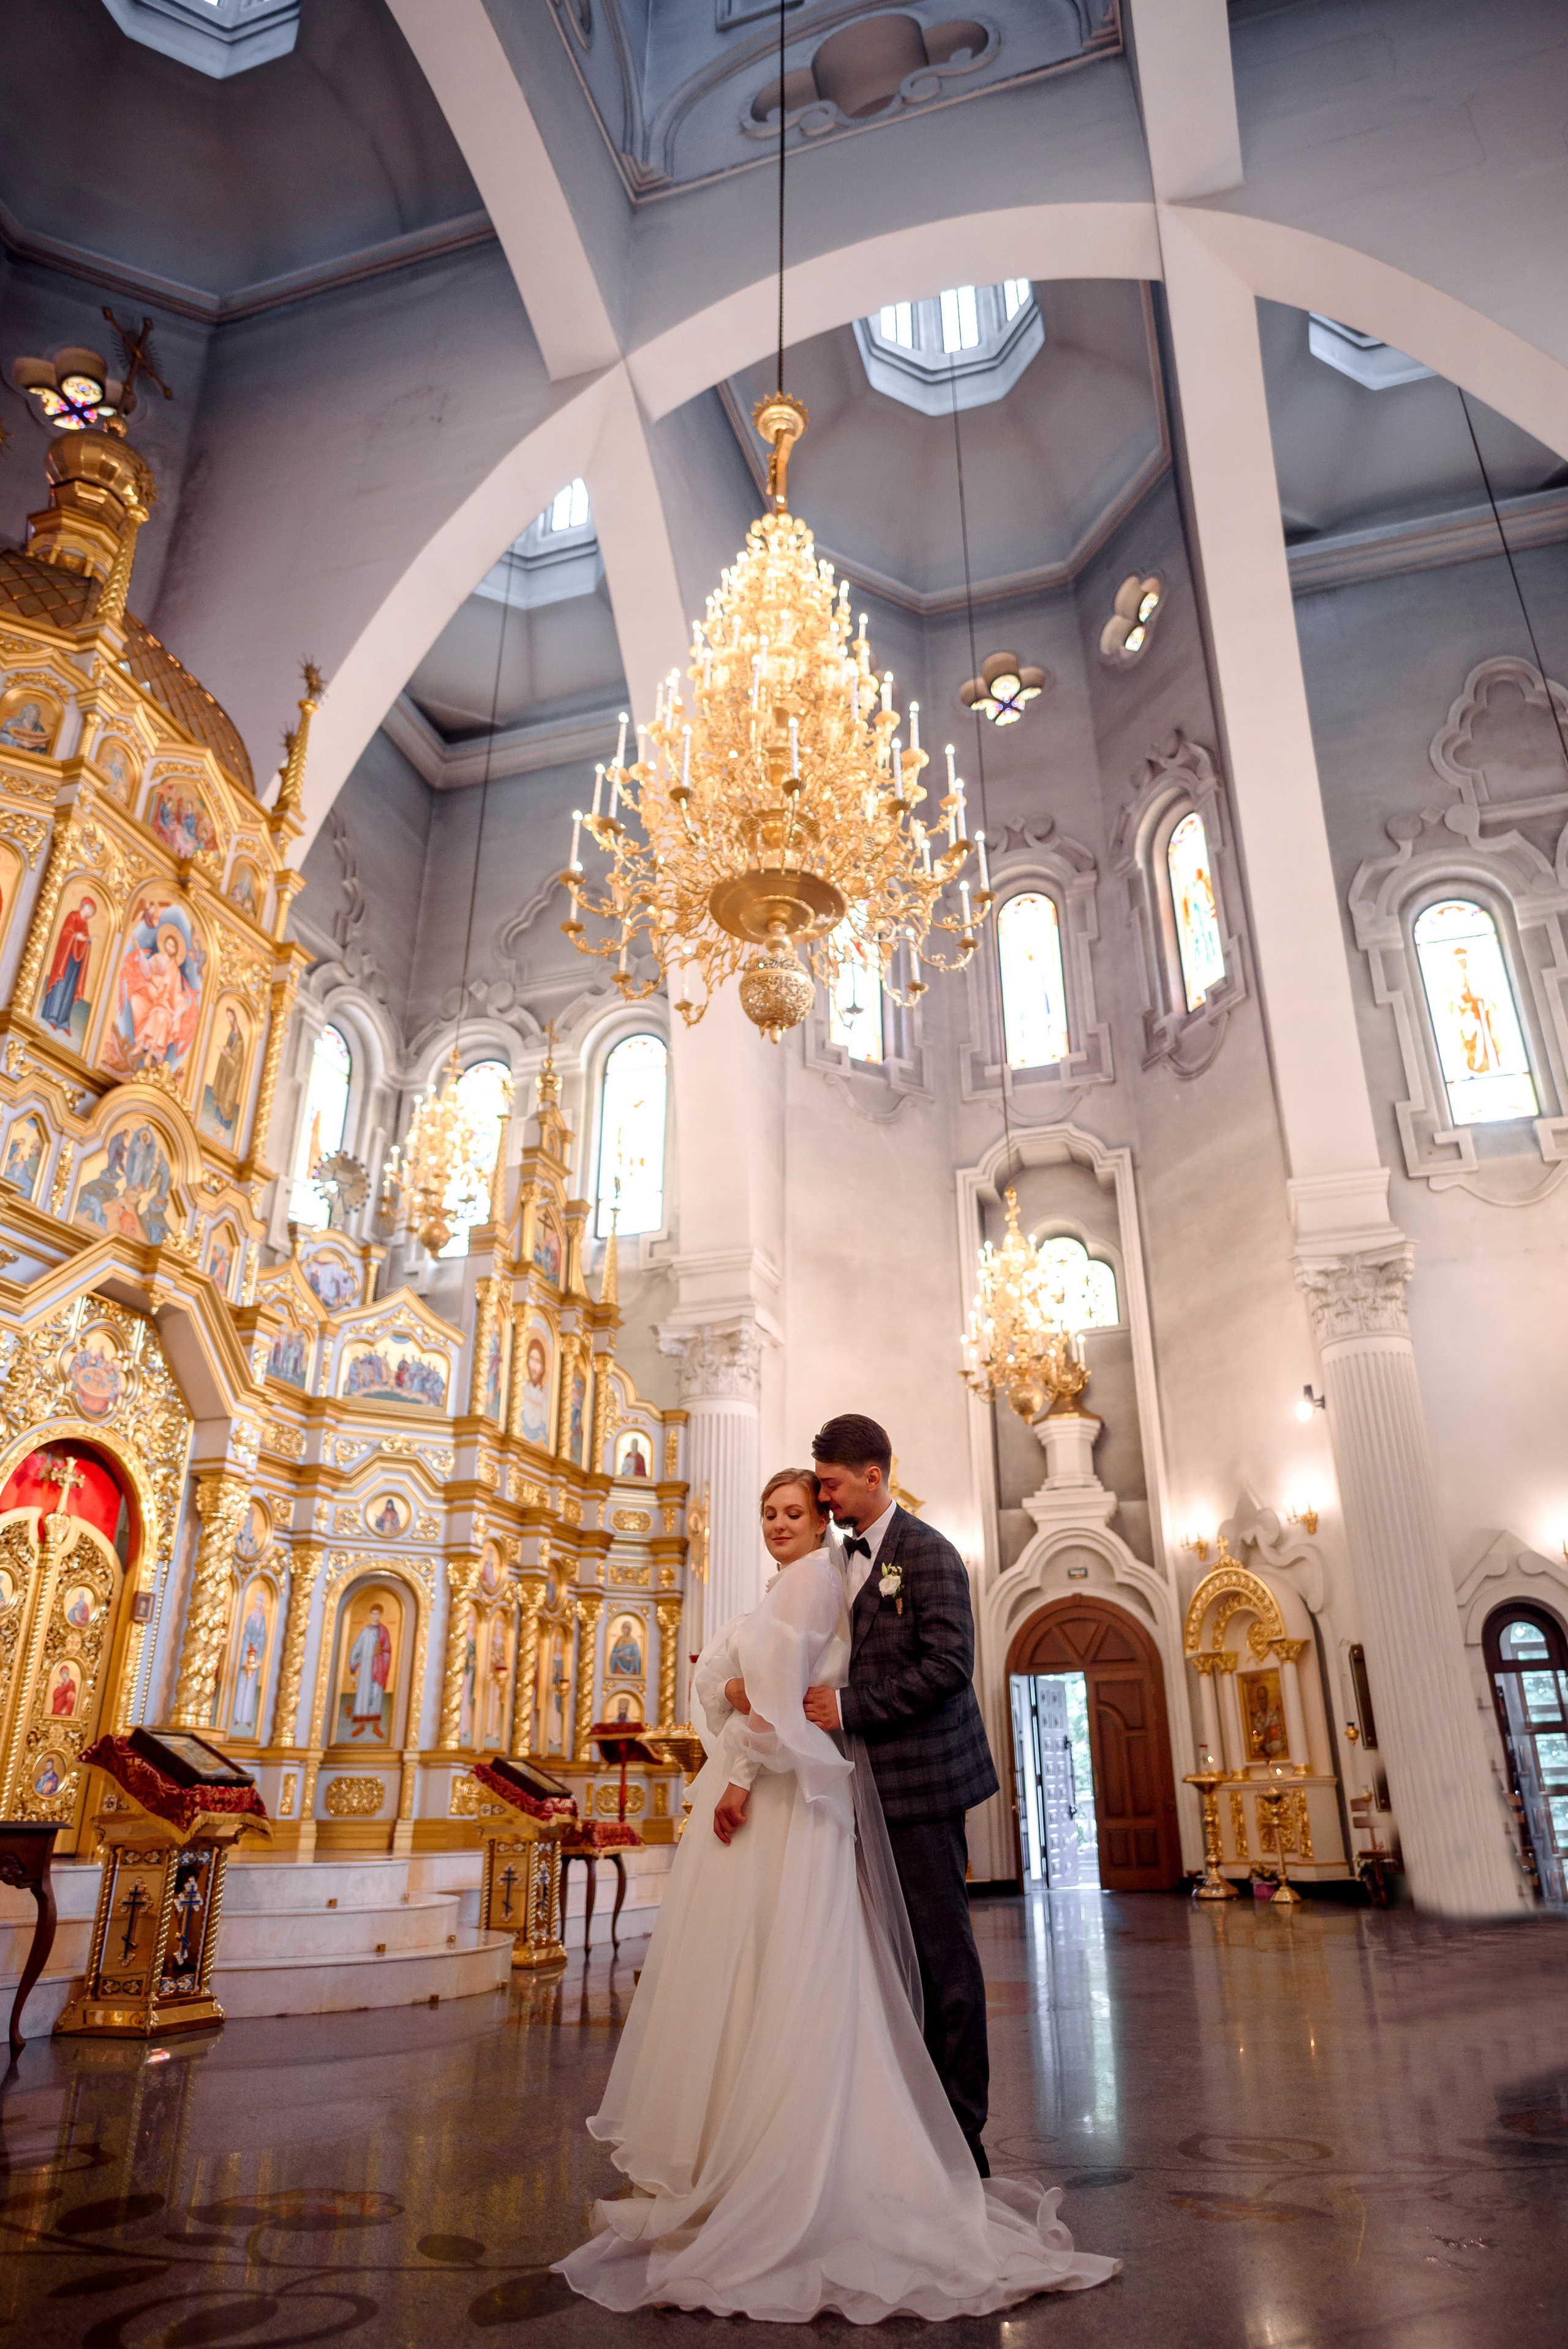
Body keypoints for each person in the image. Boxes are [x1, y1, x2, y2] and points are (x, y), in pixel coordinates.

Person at [554, 1467, 1116, 2323]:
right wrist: (744, 1702)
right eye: (769, 1511)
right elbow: (762, 1689)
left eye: (796, 1510)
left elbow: (795, 1704)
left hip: (799, 1801)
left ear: (833, 1507)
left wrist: (743, 1749)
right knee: (796, 1973)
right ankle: (778, 2145)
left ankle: (836, 2154)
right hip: (797, 1798)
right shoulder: (811, 1577)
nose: (780, 1522)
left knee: (814, 1972)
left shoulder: (838, 1573)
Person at [803, 1412, 1000, 2176]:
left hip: (921, 1783)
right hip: (858, 1789)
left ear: (872, 1477)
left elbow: (949, 1666)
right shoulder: (835, 1556)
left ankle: (961, 2131)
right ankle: (904, 2117)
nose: (823, 1499)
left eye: (831, 1485)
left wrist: (851, 1709)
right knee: (887, 1958)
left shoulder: (929, 1554)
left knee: (940, 1955)